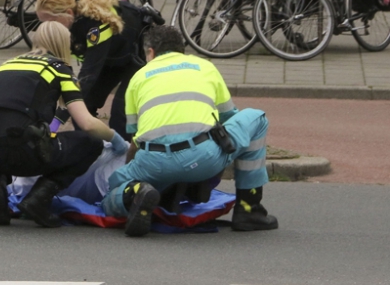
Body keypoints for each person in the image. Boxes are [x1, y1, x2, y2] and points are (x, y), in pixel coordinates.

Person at [102, 25, 278, 237]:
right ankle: (250, 210)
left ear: (150, 52)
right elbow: (229, 118)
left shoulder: (138, 78)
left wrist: (131, 176)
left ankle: (134, 195)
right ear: (181, 49)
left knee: (112, 189)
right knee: (256, 118)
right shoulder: (205, 67)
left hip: (153, 161)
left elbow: (136, 139)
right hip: (203, 158)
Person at [0, 21, 127, 227]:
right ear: (63, 44)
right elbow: (87, 124)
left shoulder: (7, 65)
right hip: (24, 153)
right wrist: (116, 139)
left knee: (0, 131)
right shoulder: (59, 69)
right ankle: (39, 199)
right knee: (91, 142)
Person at [34, 0, 144, 138]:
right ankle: (90, 151)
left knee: (121, 115)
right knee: (82, 109)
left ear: (69, 13)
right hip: (109, 58)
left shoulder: (95, 27)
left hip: (134, 58)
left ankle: (124, 158)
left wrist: (57, 121)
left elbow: (87, 77)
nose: (47, 28)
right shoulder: (65, 23)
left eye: (51, 21)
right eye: (42, 23)